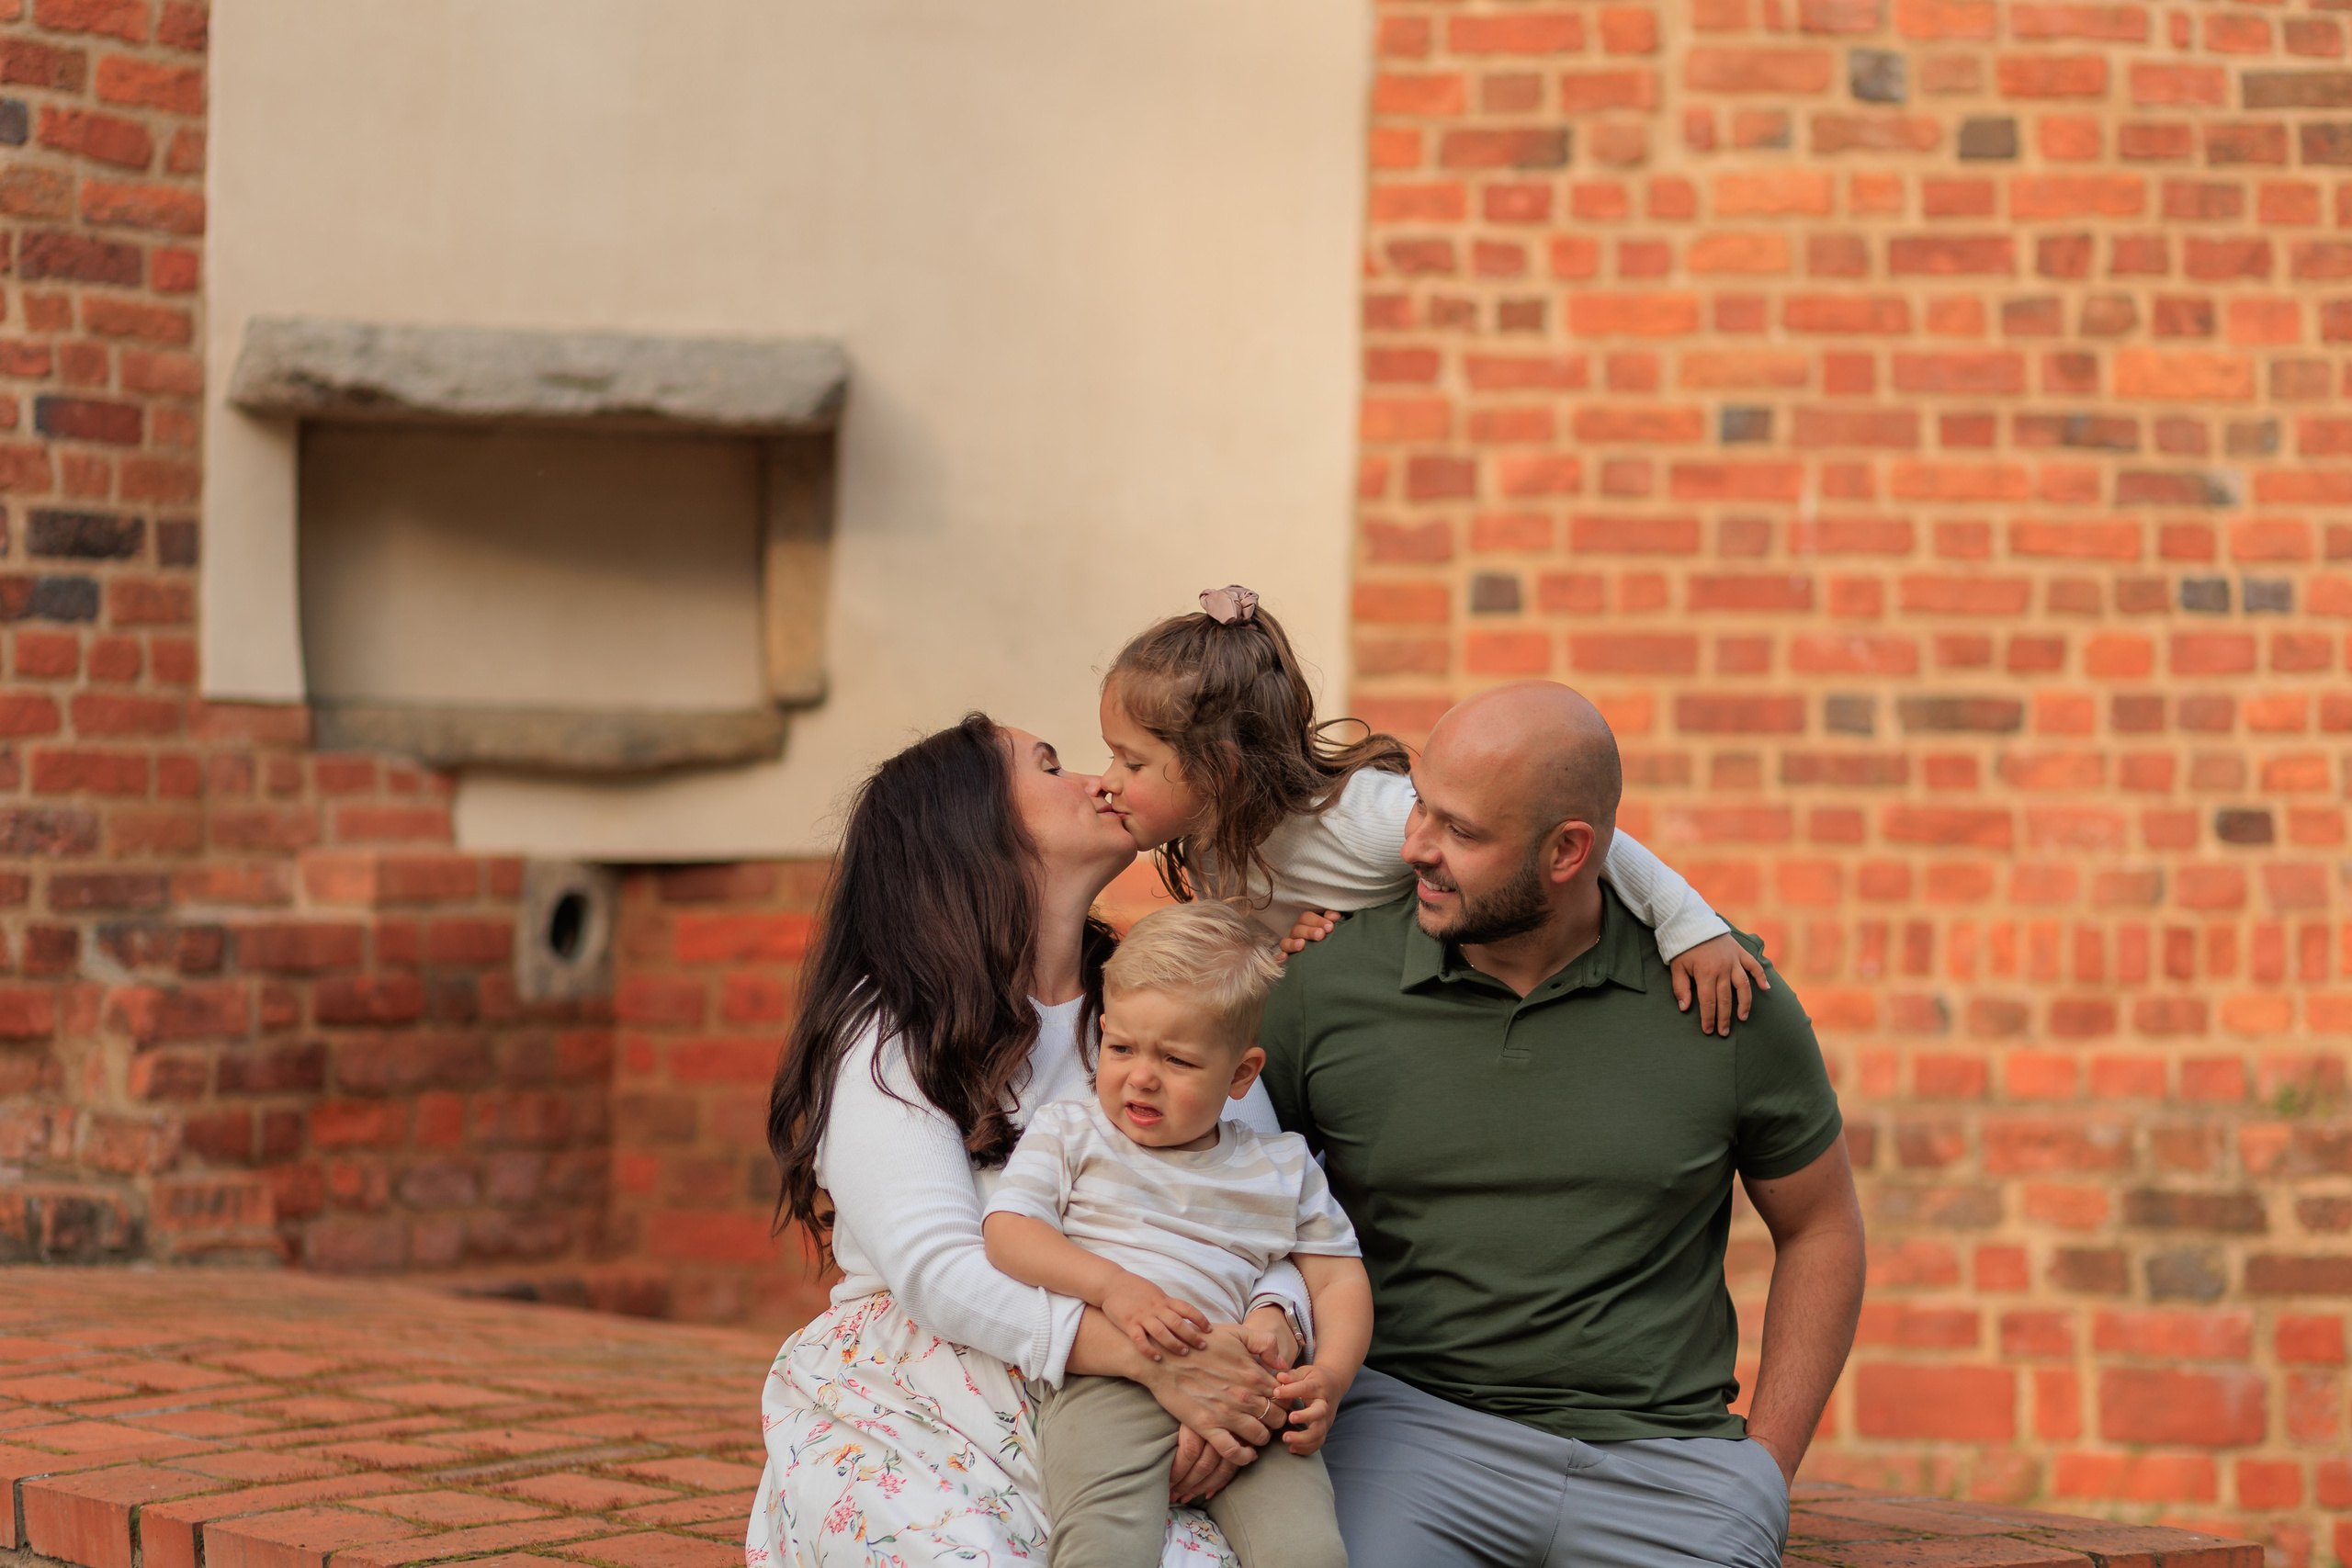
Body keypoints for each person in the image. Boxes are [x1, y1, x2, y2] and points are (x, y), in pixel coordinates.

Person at [1257, 682, 1867, 1568]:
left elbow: (1821, 1226)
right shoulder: (1326, 984)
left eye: (1460, 831)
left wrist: (1764, 1470)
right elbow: (1227, 1184)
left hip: (1673, 1463)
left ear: (1568, 850)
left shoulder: (1722, 995)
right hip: (1409, 1436)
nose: (1415, 847)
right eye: (1420, 805)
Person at [752, 715, 1309, 1568]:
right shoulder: (892, 1028)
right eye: (1050, 767)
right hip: (929, 1385)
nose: (1101, 781)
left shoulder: (1152, 1007)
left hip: (1149, 1384)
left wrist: (1262, 1344)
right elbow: (940, 1268)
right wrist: (1155, 1364)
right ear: (970, 828)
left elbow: (1263, 1205)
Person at [1098, 586, 1767, 1035]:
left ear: (1222, 769)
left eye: (1130, 762)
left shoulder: (1362, 819)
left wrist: (1691, 925)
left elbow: (1576, 838)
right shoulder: (1214, 841)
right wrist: (1279, 954)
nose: (1109, 782)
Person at [985, 901, 1370, 1568]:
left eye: (1177, 1059)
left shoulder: (1280, 1165)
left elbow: (1338, 1277)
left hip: (1251, 1394)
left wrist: (1330, 1377)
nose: (1141, 1075)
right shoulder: (1070, 1133)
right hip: (1108, 1379)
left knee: (1308, 1550)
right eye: (1123, 1046)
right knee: (1104, 1542)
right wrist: (1114, 1287)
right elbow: (1009, 1232)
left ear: (1242, 1074)